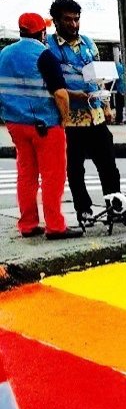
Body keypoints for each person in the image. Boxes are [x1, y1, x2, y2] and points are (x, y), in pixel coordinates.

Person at [0, 13, 82, 240]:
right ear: (41, 33)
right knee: (52, 176)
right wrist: (64, 119)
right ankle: (55, 226)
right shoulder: (44, 55)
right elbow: (60, 94)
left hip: (16, 124)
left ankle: (27, 224)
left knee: (26, 175)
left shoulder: (3, 55)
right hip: (45, 125)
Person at [48, 0, 123, 226]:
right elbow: (50, 84)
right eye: (68, 20)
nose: (73, 24)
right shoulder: (49, 47)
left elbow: (99, 76)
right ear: (56, 21)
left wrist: (107, 105)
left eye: (76, 19)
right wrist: (73, 95)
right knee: (75, 169)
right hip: (70, 119)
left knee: (109, 165)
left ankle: (115, 207)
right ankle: (84, 210)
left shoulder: (89, 43)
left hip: (96, 115)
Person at [112, 59, 126, 124]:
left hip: (120, 88)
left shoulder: (118, 67)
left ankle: (119, 119)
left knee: (119, 105)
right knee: (124, 104)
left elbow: (115, 77)